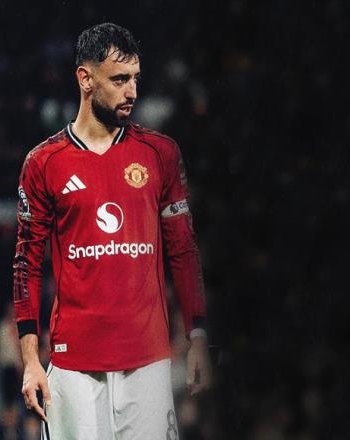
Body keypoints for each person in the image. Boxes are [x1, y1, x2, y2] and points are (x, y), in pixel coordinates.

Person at [12, 23, 212, 439]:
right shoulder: (44, 162)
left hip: (148, 362)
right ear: (85, 79)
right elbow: (26, 263)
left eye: (135, 78)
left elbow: (183, 249)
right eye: (119, 79)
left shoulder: (160, 154)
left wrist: (197, 335)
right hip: (74, 365)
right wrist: (31, 358)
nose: (132, 91)